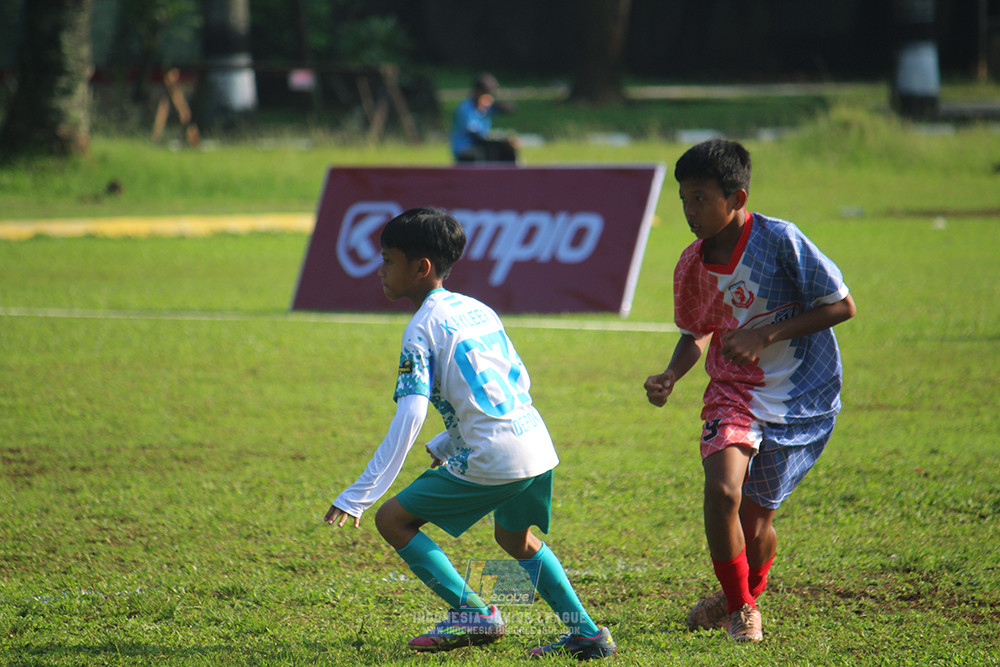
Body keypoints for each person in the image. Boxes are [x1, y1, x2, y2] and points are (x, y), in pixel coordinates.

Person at [325, 207, 615, 660]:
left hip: (494, 454)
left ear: (420, 268)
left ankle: (473, 612)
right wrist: (449, 442)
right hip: (535, 441)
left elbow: (410, 416)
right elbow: (517, 379)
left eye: (387, 260)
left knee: (393, 520)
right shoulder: (478, 308)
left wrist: (360, 493)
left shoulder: (420, 329)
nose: (379, 270)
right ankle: (588, 634)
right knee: (515, 540)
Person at [643, 139, 856, 643]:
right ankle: (742, 607)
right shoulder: (691, 264)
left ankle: (740, 593)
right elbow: (696, 329)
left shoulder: (781, 240)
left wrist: (764, 334)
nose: (690, 212)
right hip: (733, 392)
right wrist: (672, 374)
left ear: (736, 198)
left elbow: (843, 306)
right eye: (683, 200)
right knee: (722, 493)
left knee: (757, 523)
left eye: (700, 199)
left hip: (802, 395)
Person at [449, 73, 518, 163]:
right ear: (478, 92)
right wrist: (500, 140)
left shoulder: (484, 107)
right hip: (466, 149)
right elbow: (476, 136)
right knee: (483, 153)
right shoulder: (466, 109)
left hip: (480, 146)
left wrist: (498, 105)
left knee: (507, 150)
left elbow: (510, 108)